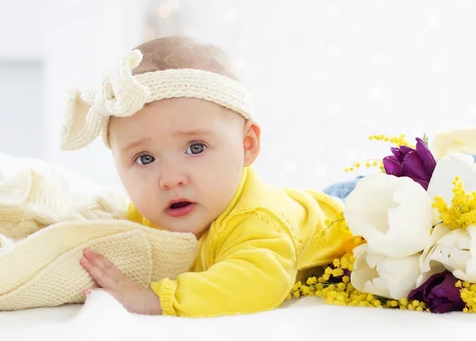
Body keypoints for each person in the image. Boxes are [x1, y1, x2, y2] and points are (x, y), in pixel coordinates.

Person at [60, 35, 356, 318]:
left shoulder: (259, 219)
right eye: (145, 158)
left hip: (352, 216)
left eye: (196, 147)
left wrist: (156, 300)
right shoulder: (148, 216)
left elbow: (257, 284)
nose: (171, 178)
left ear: (246, 145)